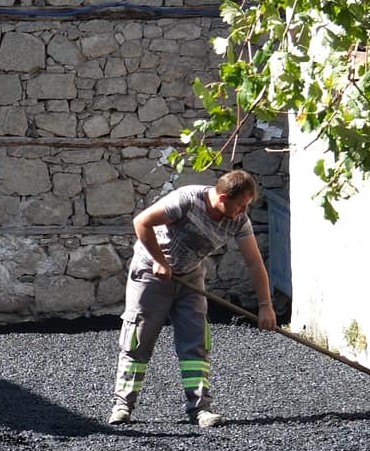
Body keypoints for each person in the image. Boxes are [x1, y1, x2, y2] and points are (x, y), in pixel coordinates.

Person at [109, 169, 277, 429]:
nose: (244, 211)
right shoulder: (186, 200)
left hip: (190, 277)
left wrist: (266, 307)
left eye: (247, 205)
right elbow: (141, 222)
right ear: (222, 198)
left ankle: (200, 409)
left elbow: (255, 263)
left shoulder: (239, 220)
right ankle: (123, 405)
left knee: (196, 341)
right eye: (241, 204)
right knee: (138, 338)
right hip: (150, 275)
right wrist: (159, 261)